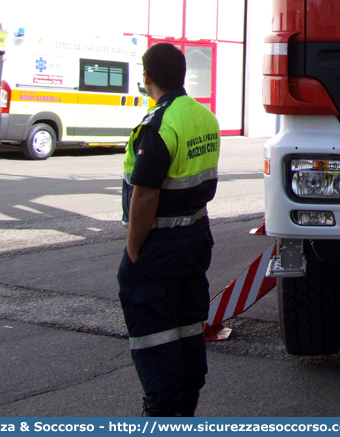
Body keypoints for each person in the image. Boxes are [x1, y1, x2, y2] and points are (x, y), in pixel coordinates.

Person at [118, 43, 220, 417]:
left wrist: (133, 252)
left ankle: (161, 412)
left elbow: (144, 197)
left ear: (147, 78)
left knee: (154, 335)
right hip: (194, 239)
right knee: (188, 325)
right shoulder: (204, 116)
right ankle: (185, 409)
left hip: (160, 246)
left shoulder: (159, 124)